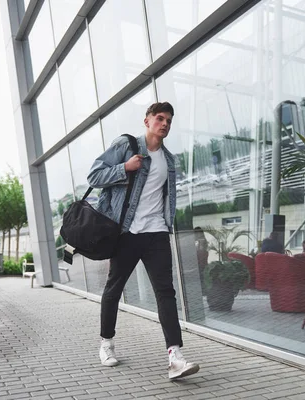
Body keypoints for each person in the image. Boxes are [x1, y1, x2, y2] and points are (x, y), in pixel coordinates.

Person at [87, 102, 199, 380]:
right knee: (114, 289)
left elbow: (164, 198)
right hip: (127, 234)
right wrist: (124, 167)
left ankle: (175, 356)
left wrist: (166, 224)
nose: (164, 124)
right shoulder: (126, 146)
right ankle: (106, 343)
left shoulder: (169, 160)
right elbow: (94, 175)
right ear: (147, 121)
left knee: (166, 293)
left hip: (157, 233)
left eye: (169, 121)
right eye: (159, 118)